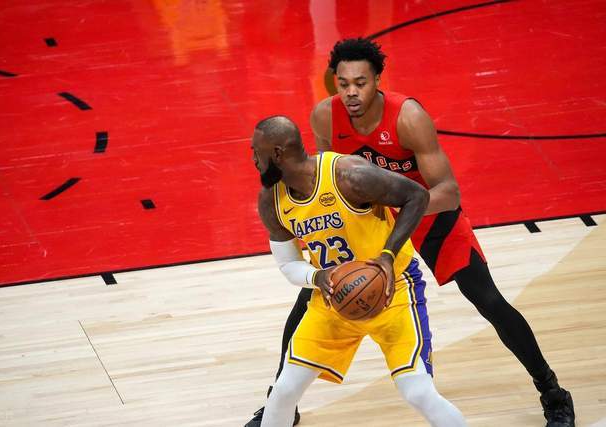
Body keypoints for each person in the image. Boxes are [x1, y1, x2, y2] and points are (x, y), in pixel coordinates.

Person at [245, 38, 574, 427]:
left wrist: (390, 210)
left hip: (425, 211)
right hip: (371, 218)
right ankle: (282, 402)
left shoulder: (408, 117)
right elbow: (324, 177)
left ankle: (552, 392)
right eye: (344, 83)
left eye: (361, 83)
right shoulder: (325, 117)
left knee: (488, 299)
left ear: (377, 81)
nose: (351, 92)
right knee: (311, 299)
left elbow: (448, 192)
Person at [251, 115, 467, 427]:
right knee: (283, 391)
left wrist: (387, 256)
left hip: (393, 292)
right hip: (333, 299)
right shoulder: (271, 201)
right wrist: (317, 277)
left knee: (418, 392)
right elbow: (287, 264)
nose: (253, 159)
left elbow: (416, 196)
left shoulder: (348, 175)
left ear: (277, 153)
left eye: (256, 151)